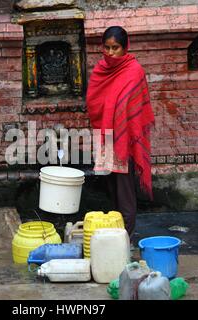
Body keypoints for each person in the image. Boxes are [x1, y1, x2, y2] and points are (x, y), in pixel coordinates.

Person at [86, 26, 155, 239]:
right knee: (112, 190)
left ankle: (126, 238)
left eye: (115, 48)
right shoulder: (101, 70)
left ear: (125, 48)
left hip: (125, 140)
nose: (110, 53)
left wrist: (119, 124)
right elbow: (95, 102)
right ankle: (116, 237)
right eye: (106, 48)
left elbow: (132, 108)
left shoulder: (134, 71)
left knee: (125, 192)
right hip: (106, 138)